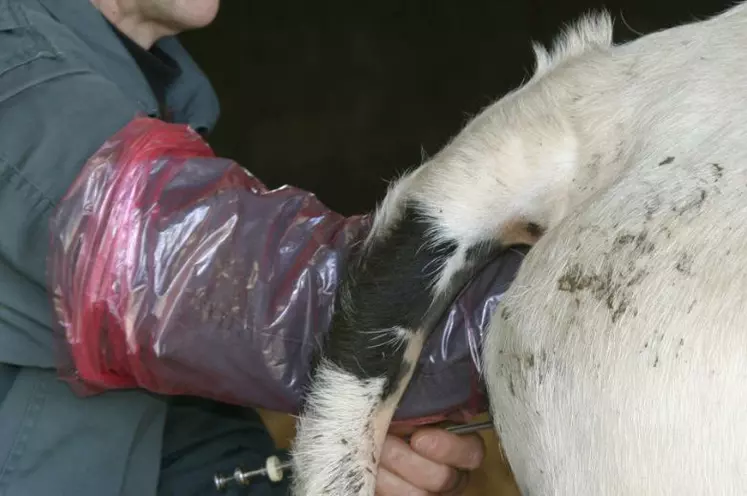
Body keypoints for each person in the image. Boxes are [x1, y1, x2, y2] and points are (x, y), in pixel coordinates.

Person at [0, 0, 491, 495]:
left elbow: (194, 455)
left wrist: (319, 477)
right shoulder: (14, 68)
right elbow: (270, 298)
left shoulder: (153, 99)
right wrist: (544, 301)